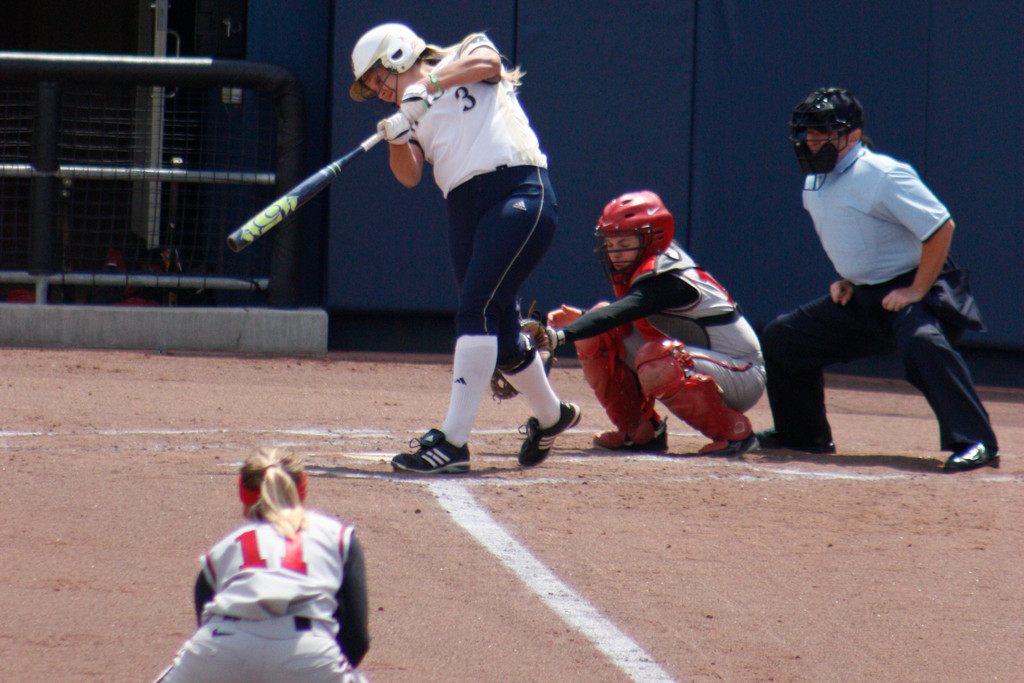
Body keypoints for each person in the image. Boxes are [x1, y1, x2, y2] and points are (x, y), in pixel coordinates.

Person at [348, 23, 580, 473]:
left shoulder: (465, 50)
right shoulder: (406, 110)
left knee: (475, 310)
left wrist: (428, 85)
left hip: (518, 189)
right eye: (373, 86)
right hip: (463, 208)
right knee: (505, 334)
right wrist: (399, 136)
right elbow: (410, 174)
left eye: (379, 79)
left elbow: (490, 64)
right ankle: (553, 418)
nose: (379, 91)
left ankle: (452, 443)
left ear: (398, 54)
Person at [756, 86, 999, 472]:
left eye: (823, 132)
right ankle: (803, 434)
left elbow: (940, 227)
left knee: (923, 343)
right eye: (808, 132)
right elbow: (854, 237)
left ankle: (977, 441)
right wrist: (848, 279)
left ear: (852, 135)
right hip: (863, 294)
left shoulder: (883, 174)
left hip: (917, 285)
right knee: (783, 338)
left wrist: (916, 289)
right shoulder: (815, 182)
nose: (812, 141)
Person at [543, 190, 766, 457]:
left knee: (658, 358)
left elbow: (625, 310)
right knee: (596, 331)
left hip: (742, 371)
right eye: (611, 245)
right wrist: (581, 321)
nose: (615, 254)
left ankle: (734, 432)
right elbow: (618, 316)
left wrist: (557, 337)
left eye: (625, 244)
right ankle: (639, 430)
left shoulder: (668, 275)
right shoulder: (648, 267)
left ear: (654, 237)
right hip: (704, 360)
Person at [154, 448, 370, 683]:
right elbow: (357, 639)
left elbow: (204, 617)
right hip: (308, 650)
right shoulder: (338, 537)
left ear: (244, 494)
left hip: (221, 645)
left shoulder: (224, 548)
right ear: (301, 489)